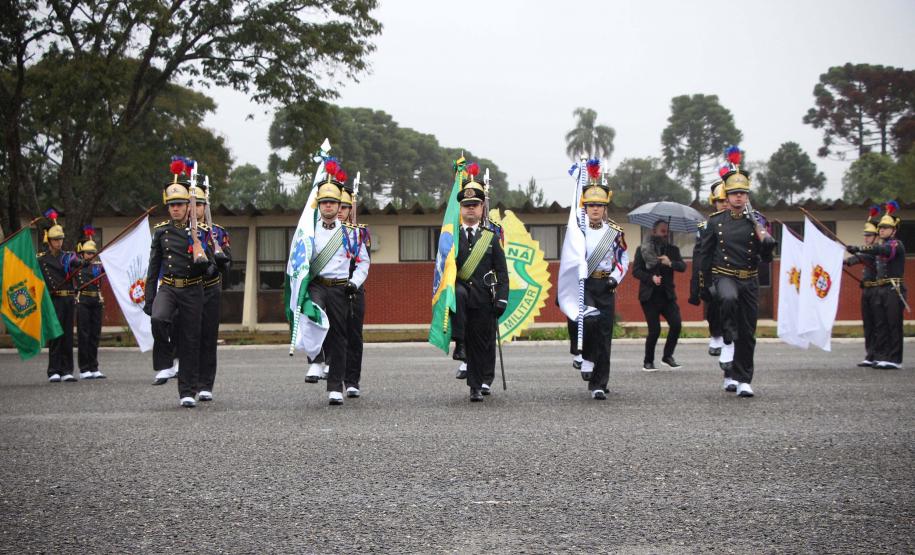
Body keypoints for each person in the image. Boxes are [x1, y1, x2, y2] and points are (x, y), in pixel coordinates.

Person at [695, 147, 776, 398]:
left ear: (747, 196)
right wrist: (704, 285)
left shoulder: (757, 220)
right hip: (724, 276)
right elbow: (705, 255)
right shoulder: (716, 222)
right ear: (727, 196)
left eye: (742, 193)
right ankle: (727, 338)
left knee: (748, 334)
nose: (738, 197)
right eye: (734, 193)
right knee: (728, 299)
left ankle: (743, 380)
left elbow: (765, 259)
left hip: (749, 279)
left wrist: (767, 244)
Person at [144, 160, 212, 408]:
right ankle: (166, 361)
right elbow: (153, 267)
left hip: (193, 289)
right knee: (158, 318)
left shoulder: (200, 231)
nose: (175, 209)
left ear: (188, 206)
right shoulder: (161, 232)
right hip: (169, 287)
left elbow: (212, 267)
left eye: (180, 204)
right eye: (172, 205)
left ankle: (187, 391)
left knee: (190, 342)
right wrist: (149, 298)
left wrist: (205, 263)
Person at [303, 160, 370, 405]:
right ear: (319, 205)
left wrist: (355, 282)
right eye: (324, 202)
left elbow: (363, 262)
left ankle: (335, 387)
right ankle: (316, 360)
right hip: (317, 285)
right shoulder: (308, 230)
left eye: (333, 202)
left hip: (341, 287)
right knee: (313, 315)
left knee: (341, 337)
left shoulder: (352, 233)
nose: (329, 206)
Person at [453, 162, 508, 401]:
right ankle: (459, 344)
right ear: (460, 208)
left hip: (484, 298)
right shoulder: (451, 236)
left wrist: (502, 299)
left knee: (480, 343)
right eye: (466, 205)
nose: (470, 209)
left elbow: (502, 272)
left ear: (482, 207)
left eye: (474, 205)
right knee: (460, 298)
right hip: (459, 297)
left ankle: (478, 385)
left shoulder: (491, 238)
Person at [576, 160, 629, 399]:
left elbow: (623, 258)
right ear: (585, 207)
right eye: (591, 205)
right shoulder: (578, 230)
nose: (595, 209)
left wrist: (615, 279)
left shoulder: (615, 232)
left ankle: (599, 383)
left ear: (605, 207)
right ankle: (587, 357)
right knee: (589, 322)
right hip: (585, 284)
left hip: (606, 285)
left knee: (605, 335)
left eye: (599, 205)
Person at [846, 201, 906, 370]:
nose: (882, 230)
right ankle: (882, 356)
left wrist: (859, 248)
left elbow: (883, 251)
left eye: (886, 228)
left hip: (893, 289)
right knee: (881, 324)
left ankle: (895, 359)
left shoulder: (895, 244)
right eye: (880, 228)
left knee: (893, 324)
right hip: (881, 289)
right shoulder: (879, 247)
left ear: (894, 230)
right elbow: (866, 255)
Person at [690, 179, 735, 385]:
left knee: (738, 330)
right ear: (714, 203)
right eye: (720, 201)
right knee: (715, 308)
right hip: (716, 276)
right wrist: (699, 286)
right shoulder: (705, 226)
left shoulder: (746, 222)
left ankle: (734, 376)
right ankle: (715, 334)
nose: (725, 204)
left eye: (727, 200)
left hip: (740, 278)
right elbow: (699, 257)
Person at [193, 176, 231, 402]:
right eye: (193, 204)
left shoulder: (217, 232)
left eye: (200, 204)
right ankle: (189, 382)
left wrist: (218, 264)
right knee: (189, 337)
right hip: (187, 290)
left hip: (210, 289)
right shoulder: (180, 231)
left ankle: (205, 384)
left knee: (208, 337)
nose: (196, 208)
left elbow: (228, 262)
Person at [632, 219, 685, 371]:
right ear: (654, 231)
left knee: (676, 324)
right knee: (654, 330)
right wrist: (651, 278)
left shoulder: (672, 250)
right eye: (662, 231)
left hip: (667, 296)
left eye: (667, 231)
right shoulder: (642, 249)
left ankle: (667, 356)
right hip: (649, 297)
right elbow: (636, 271)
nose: (665, 234)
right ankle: (648, 361)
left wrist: (670, 263)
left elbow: (682, 267)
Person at [38, 209, 82, 383]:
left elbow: (78, 263)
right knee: (56, 334)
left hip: (68, 299)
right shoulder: (42, 259)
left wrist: (84, 262)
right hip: (53, 300)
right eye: (56, 240)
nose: (59, 242)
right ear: (49, 241)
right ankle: (54, 370)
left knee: (68, 335)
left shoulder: (68, 257)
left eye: (61, 239)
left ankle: (67, 370)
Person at [338, 184, 371, 398]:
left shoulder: (359, 233)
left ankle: (351, 381)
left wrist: (354, 283)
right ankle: (332, 373)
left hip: (353, 290)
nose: (340, 211)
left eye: (344, 207)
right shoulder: (320, 231)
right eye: (337, 206)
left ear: (351, 209)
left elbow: (364, 263)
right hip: (328, 288)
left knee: (354, 336)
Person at [843, 206, 881, 367]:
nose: (866, 238)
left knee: (878, 324)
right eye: (865, 235)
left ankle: (879, 354)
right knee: (868, 324)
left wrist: (851, 257)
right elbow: (857, 258)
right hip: (866, 290)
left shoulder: (878, 251)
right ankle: (870, 355)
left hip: (877, 291)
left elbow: (863, 256)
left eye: (869, 235)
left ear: (877, 236)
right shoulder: (867, 251)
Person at [74, 226, 106, 380]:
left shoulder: (99, 266)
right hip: (83, 301)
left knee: (95, 335)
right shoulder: (77, 266)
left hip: (96, 301)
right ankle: (84, 368)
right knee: (84, 335)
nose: (91, 256)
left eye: (93, 253)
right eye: (88, 253)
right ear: (82, 253)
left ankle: (94, 367)